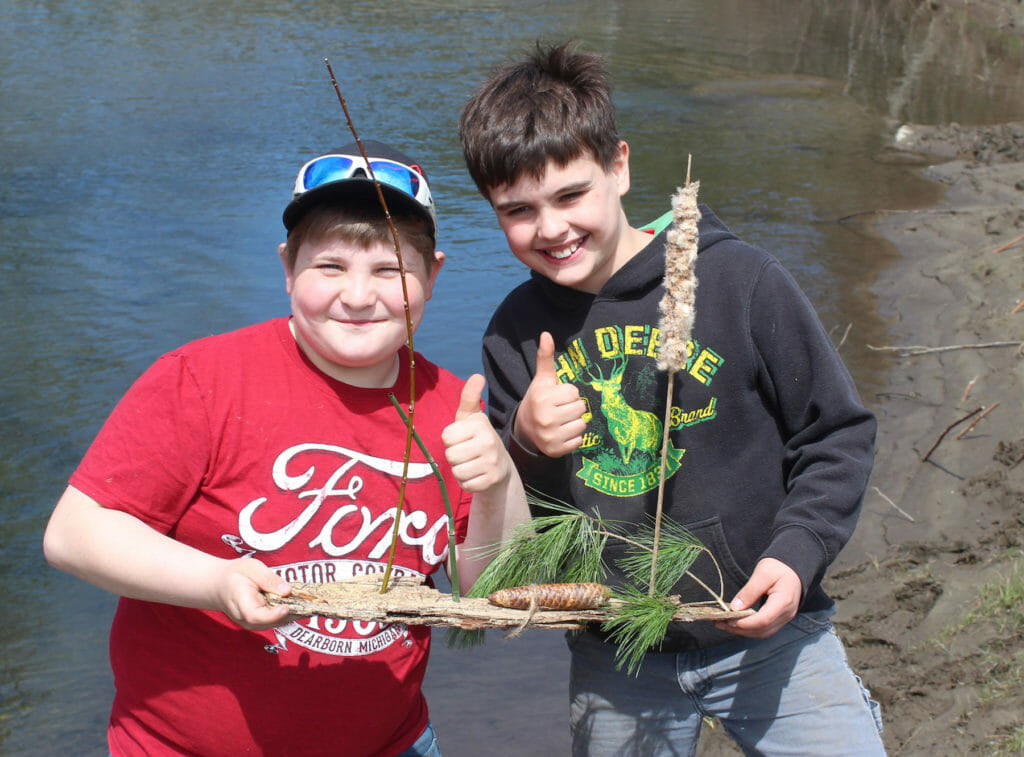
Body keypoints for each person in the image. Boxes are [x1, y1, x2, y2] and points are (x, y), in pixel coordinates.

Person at [458, 42, 886, 756]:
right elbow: (518, 539)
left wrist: (797, 550)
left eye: (571, 194)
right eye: (519, 211)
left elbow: (837, 433)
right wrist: (524, 443)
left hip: (772, 630)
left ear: (620, 166)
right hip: (617, 654)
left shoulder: (740, 281)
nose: (553, 228)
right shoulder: (513, 335)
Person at [42, 139, 530, 757]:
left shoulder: (451, 406)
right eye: (330, 267)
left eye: (389, 270)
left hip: (393, 742)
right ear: (287, 268)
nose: (357, 296)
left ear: (432, 276)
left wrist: (499, 484)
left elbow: (486, 597)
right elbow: (74, 536)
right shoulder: (202, 380)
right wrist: (215, 582)